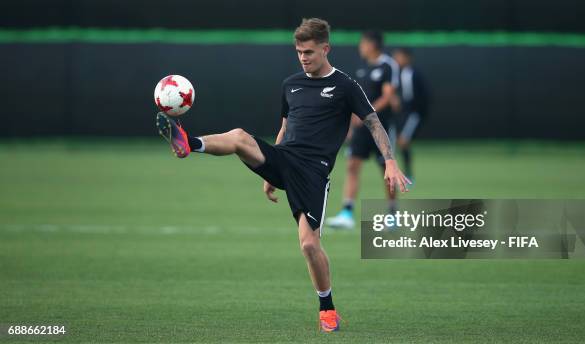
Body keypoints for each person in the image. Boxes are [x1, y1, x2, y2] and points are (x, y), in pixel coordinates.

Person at [155, 18, 410, 332]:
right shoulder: (291, 84)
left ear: (325, 49)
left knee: (309, 245)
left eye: (309, 52)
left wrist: (390, 161)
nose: (303, 57)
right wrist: (269, 173)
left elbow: (373, 122)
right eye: (299, 52)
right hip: (284, 157)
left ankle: (327, 309)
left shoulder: (345, 85)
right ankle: (188, 144)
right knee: (238, 136)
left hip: (314, 173)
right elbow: (285, 128)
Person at [327, 31, 401, 229]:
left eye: (363, 44)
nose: (361, 47)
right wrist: (352, 123)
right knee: (352, 165)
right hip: (361, 129)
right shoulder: (362, 67)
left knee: (387, 169)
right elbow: (357, 99)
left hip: (380, 128)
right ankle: (347, 213)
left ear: (372, 44)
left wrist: (367, 114)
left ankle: (392, 214)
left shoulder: (388, 65)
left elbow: (388, 97)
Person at [392, 48, 429, 181]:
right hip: (403, 114)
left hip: (413, 114)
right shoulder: (396, 74)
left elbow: (421, 97)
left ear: (407, 58)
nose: (396, 60)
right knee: (400, 142)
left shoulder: (414, 74)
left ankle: (408, 175)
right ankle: (402, 174)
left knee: (403, 141)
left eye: (399, 57)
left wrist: (415, 111)